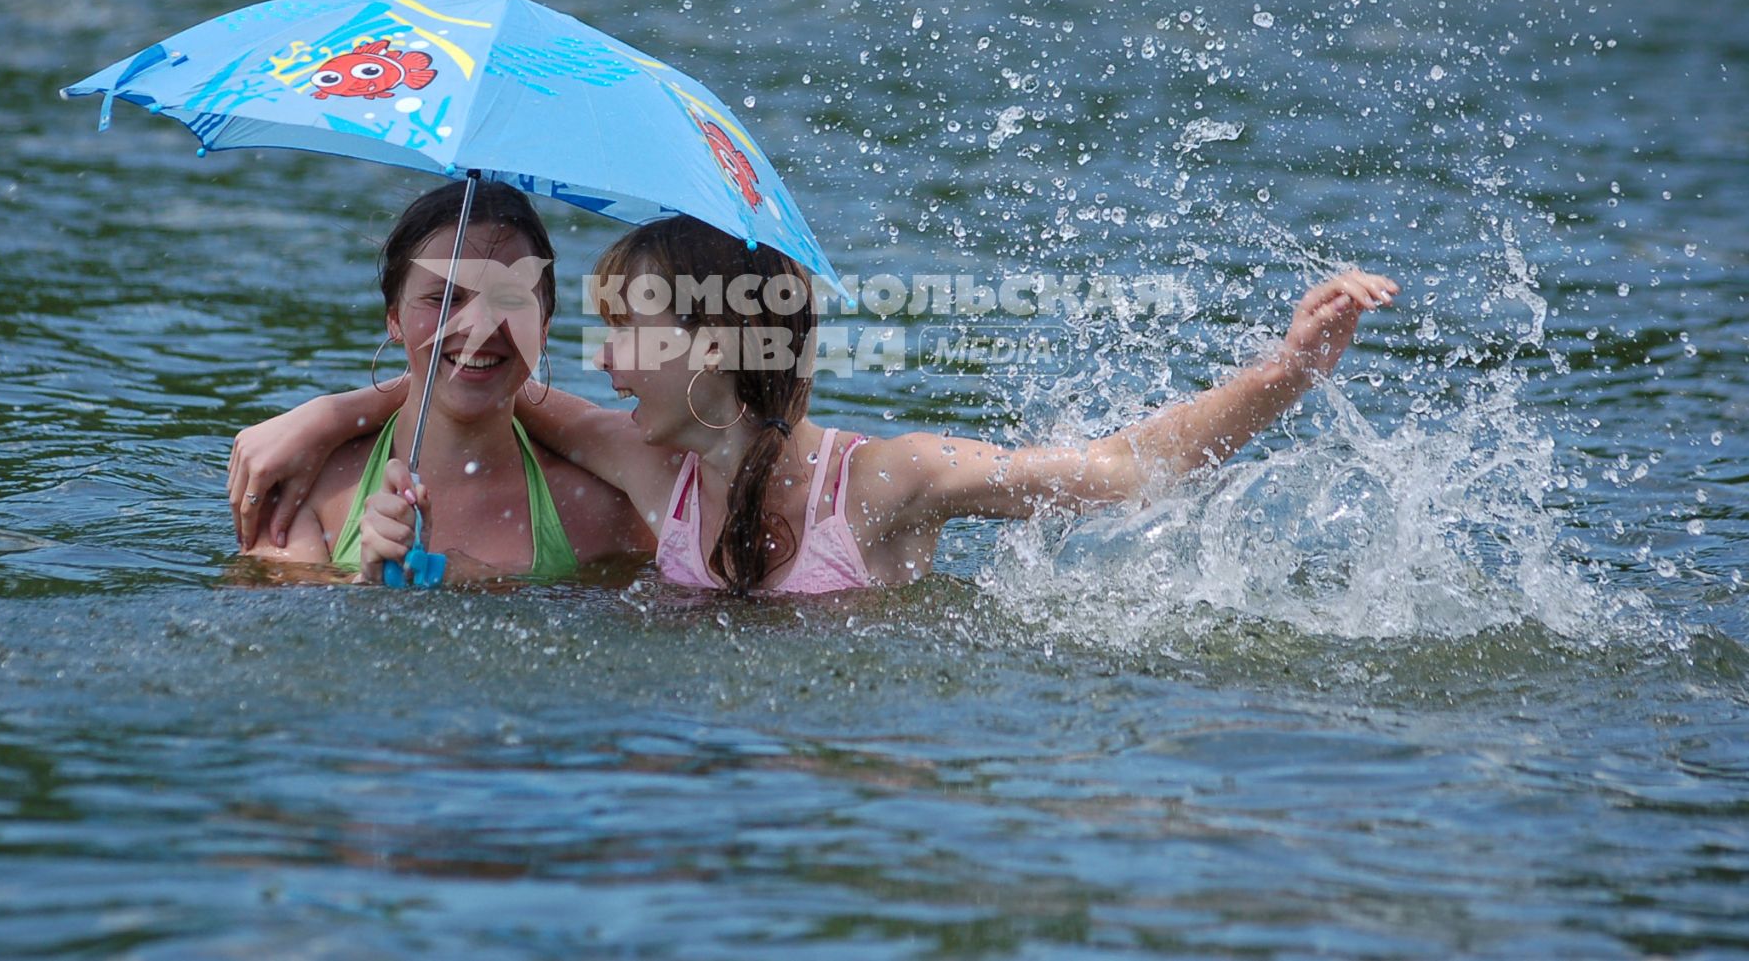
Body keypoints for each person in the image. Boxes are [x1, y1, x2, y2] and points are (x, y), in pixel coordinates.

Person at [236, 217, 1396, 595]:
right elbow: (479, 372)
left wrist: (1282, 373)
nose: (603, 361)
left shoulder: (881, 481)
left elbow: (1116, 469)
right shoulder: (653, 469)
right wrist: (326, 415)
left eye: (628, 333)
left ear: (713, 349)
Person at [228, 181, 650, 583]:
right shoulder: (307, 490)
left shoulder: (601, 510)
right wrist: (366, 585)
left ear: (544, 325)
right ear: (394, 317)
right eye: (444, 298)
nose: (480, 327)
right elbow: (269, 642)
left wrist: (490, 585)